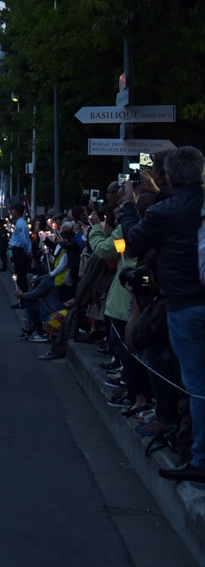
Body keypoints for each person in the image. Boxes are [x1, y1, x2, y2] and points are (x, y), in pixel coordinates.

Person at [117, 146, 205, 482]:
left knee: (194, 385)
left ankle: (198, 458)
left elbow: (132, 243)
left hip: (184, 304)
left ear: (168, 177)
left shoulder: (166, 212)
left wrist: (128, 204)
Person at [8, 202, 32, 293]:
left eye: (13, 210)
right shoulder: (19, 223)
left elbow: (24, 241)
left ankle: (22, 299)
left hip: (20, 251)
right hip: (18, 251)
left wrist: (27, 252)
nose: (12, 212)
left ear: (17, 212)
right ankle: (22, 299)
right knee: (20, 275)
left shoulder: (20, 224)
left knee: (21, 276)